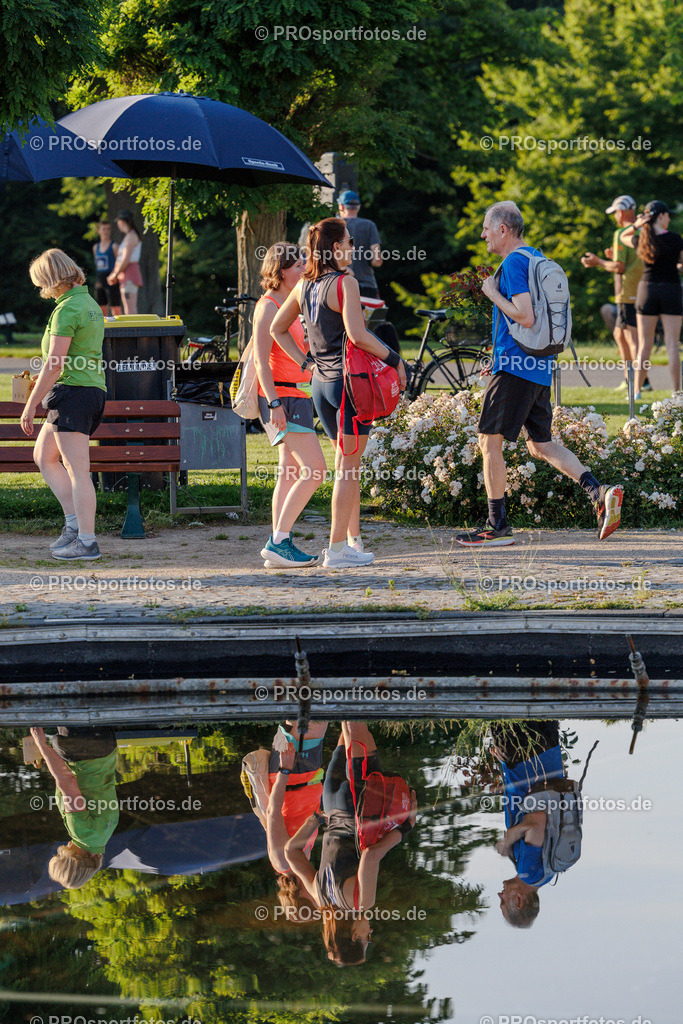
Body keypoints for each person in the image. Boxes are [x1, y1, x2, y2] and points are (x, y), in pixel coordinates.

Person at [455, 200, 623, 547]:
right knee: (539, 444)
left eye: (486, 228)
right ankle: (598, 491)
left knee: (488, 440)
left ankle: (497, 526)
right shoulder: (535, 256)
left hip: (517, 367)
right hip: (537, 365)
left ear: (503, 229)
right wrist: (497, 358)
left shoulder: (513, 262)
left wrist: (491, 293)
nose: (483, 235)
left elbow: (525, 316)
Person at [271, 218, 407, 569]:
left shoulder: (305, 284)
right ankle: (336, 550)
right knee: (348, 470)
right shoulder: (345, 282)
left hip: (321, 385)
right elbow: (358, 335)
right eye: (349, 241)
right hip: (348, 386)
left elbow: (277, 328)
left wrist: (307, 362)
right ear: (335, 247)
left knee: (345, 467)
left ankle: (352, 541)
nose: (353, 247)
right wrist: (395, 359)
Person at [284, 722, 417, 966]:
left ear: (355, 936)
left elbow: (371, 855)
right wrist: (316, 819)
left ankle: (352, 696)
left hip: (359, 804)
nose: (370, 933)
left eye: (367, 939)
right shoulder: (320, 898)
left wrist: (404, 829)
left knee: (356, 725)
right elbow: (291, 852)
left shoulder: (361, 903)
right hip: (330, 802)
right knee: (345, 730)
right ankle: (336, 698)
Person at [22, 249, 106, 560]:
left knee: (78, 470)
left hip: (73, 393)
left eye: (40, 283)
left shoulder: (67, 309)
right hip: (87, 391)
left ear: (51, 279)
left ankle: (87, 541)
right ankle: (74, 526)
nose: (41, 290)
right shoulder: (89, 303)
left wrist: (31, 404)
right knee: (44, 456)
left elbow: (55, 364)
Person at [252, 243, 327, 568]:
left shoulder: (290, 303)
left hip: (295, 395)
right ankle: (279, 541)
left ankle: (279, 545)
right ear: (281, 271)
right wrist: (273, 404)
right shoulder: (268, 306)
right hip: (282, 398)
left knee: (289, 472)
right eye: (298, 265)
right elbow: (261, 362)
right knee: (316, 471)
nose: (305, 269)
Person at [491, 721, 564, 929]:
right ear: (518, 901)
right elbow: (538, 821)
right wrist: (508, 840)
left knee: (543, 706)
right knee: (501, 709)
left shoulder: (548, 873)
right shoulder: (529, 874)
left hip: (548, 757)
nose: (500, 895)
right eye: (503, 902)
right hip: (524, 758)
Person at [29, 726, 118, 890]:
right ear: (68, 859)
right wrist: (41, 745)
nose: (59, 851)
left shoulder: (105, 835)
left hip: (106, 746)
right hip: (82, 749)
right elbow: (67, 781)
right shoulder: (82, 833)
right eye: (58, 856)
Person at [581, 195, 650, 391]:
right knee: (620, 335)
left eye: (615, 213)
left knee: (632, 340)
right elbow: (629, 262)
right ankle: (630, 379)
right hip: (640, 290)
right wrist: (612, 258)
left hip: (629, 293)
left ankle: (641, 383)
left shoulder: (621, 233)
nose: (615, 217)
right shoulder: (643, 231)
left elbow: (619, 267)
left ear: (621, 212)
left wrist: (598, 262)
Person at [264, 721, 328, 915]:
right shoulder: (300, 861)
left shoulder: (283, 862)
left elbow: (273, 813)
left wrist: (285, 769)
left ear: (299, 894)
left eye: (314, 899)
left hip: (293, 773)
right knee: (304, 713)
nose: (318, 894)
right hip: (306, 774)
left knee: (316, 714)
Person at [621, 200, 683, 397]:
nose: (669, 218)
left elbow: (623, 236)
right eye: (668, 215)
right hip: (671, 290)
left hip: (647, 290)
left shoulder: (642, 238)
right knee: (672, 344)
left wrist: (636, 225)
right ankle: (677, 392)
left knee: (644, 345)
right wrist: (674, 267)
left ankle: (636, 391)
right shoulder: (675, 239)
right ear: (661, 215)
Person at [337, 190, 383, 298]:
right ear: (358, 207)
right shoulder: (369, 225)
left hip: (340, 284)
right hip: (367, 286)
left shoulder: (334, 225)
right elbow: (377, 261)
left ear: (341, 206)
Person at [107, 210, 143, 315]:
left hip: (130, 275)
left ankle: (134, 327)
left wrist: (114, 274)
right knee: (128, 308)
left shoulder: (131, 237)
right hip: (125, 275)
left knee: (130, 310)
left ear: (122, 222)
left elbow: (125, 260)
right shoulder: (129, 236)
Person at [92, 220, 122, 316]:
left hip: (112, 279)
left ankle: (119, 325)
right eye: (104, 229)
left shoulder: (114, 246)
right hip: (100, 279)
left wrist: (115, 275)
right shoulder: (95, 247)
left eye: (108, 229)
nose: (106, 231)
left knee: (115, 307)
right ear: (99, 231)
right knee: (100, 307)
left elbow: (119, 263)